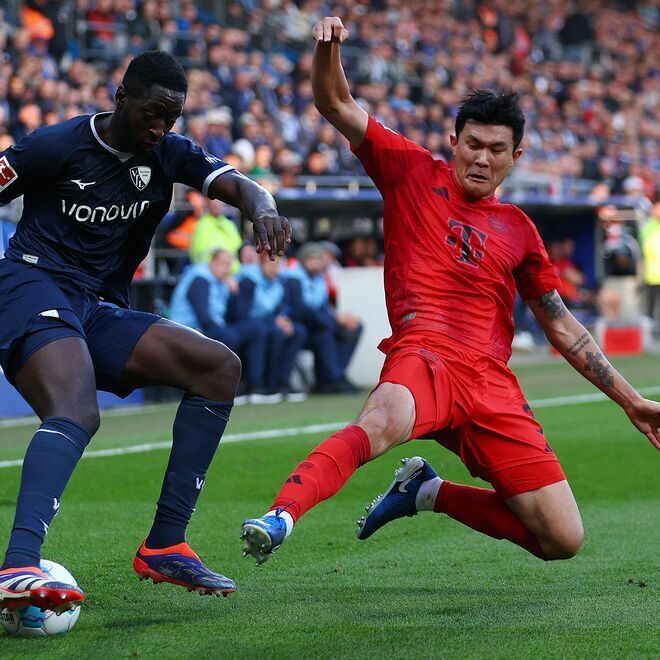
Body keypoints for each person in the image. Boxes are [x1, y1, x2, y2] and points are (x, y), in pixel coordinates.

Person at [240, 17, 660, 567]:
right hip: (425, 354)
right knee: (380, 421)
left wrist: (631, 400)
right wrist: (327, 49)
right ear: (455, 142)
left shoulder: (519, 231)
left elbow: (562, 325)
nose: (481, 158)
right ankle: (282, 515)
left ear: (516, 156)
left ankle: (427, 493)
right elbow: (336, 102)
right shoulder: (411, 170)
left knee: (562, 538)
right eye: (473, 144)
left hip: (491, 383)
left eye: (496, 149)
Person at [0, 50, 290, 610]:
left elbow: (239, 184)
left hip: (96, 304)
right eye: (152, 114)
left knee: (217, 367)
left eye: (171, 119)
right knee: (76, 411)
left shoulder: (169, 153)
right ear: (121, 99)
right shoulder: (55, 145)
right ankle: (17, 567)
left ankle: (165, 545)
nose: (160, 128)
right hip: (31, 284)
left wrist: (264, 207)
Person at [168, 249, 269, 404]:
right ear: (212, 262)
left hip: (212, 328)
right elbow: (204, 318)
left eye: (229, 264)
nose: (226, 268)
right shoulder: (199, 279)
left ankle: (255, 386)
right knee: (228, 335)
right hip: (188, 331)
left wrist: (234, 292)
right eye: (223, 263)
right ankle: (225, 388)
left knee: (255, 329)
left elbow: (237, 315)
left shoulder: (222, 281)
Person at [284, 242, 361, 394]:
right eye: (312, 258)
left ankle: (337, 374)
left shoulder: (319, 278)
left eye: (319, 259)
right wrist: (331, 319)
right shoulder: (293, 277)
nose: (316, 262)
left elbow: (323, 306)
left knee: (353, 328)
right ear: (303, 259)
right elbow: (300, 310)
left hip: (318, 323)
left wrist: (339, 317)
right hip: (301, 325)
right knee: (325, 328)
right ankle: (331, 377)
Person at [235, 251, 308, 402]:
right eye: (271, 263)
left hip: (268, 322)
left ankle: (283, 381)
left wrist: (284, 319)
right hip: (248, 322)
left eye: (278, 264)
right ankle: (263, 383)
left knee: (298, 331)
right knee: (273, 332)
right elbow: (241, 313)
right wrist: (273, 321)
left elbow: (282, 307)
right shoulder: (248, 282)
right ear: (261, 263)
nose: (275, 268)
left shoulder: (279, 282)